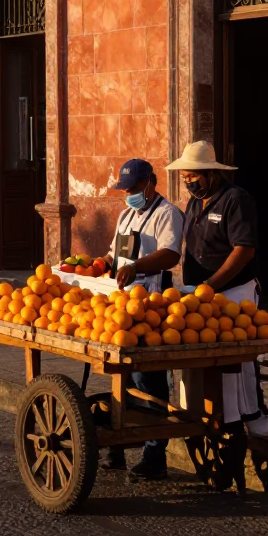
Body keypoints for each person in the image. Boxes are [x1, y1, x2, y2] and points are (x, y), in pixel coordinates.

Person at [166, 140, 268, 439]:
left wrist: (213, 284)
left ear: (211, 173)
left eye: (193, 177)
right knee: (205, 355)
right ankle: (213, 413)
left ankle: (248, 414)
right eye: (185, 178)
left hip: (234, 291)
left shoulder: (236, 200)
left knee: (238, 357)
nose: (189, 183)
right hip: (198, 292)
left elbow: (244, 249)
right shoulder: (194, 203)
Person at [97, 158, 184, 480]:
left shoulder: (167, 214)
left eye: (134, 188)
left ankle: (154, 453)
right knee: (121, 375)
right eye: (126, 189)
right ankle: (118, 446)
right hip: (121, 304)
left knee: (149, 379)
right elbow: (114, 254)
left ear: (151, 182)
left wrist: (138, 266)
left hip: (152, 302)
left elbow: (171, 253)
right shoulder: (125, 214)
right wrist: (97, 264)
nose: (130, 194)